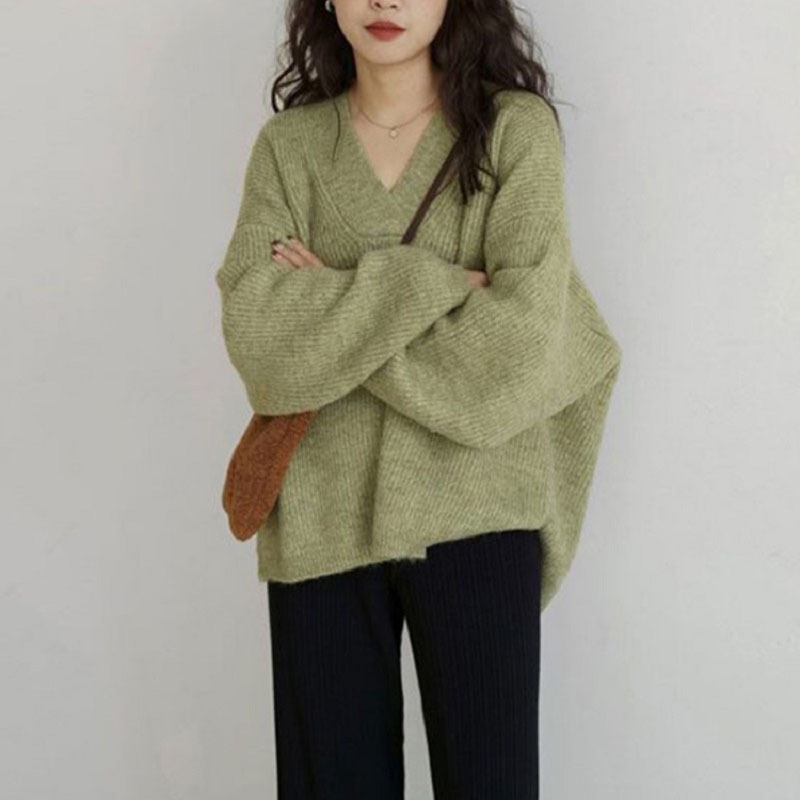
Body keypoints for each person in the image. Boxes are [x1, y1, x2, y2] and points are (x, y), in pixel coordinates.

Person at [214, 0, 623, 797]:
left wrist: (336, 314)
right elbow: (260, 337)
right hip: (321, 520)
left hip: (480, 509)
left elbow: (516, 350)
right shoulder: (289, 149)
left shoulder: (513, 132)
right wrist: (434, 288)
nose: (385, 2)